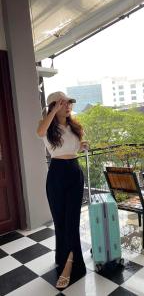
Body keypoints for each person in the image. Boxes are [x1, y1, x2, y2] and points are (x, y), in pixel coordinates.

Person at [36, 91, 88, 289]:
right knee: (60, 221)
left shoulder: (74, 127)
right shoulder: (47, 126)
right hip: (56, 174)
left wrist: (81, 145)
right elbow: (39, 133)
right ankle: (62, 257)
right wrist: (53, 111)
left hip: (75, 173)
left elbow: (72, 148)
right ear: (53, 106)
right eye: (62, 103)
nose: (68, 106)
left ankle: (70, 266)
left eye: (69, 103)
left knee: (72, 222)